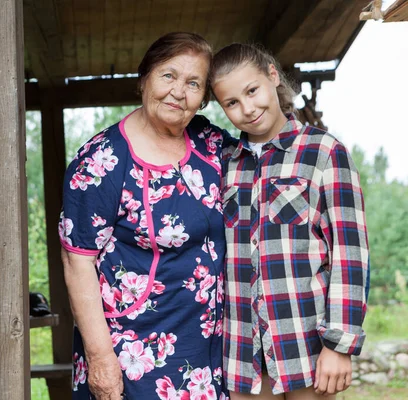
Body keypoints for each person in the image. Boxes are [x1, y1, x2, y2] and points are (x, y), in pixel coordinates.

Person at [59, 32, 232, 400]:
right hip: (134, 356)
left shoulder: (211, 144)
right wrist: (101, 360)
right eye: (168, 76)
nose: (178, 92)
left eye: (193, 83)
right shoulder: (101, 161)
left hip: (209, 350)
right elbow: (77, 263)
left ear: (203, 98)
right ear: (143, 80)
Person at [209, 43, 369, 399]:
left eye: (252, 91)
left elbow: (350, 255)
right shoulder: (223, 165)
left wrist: (339, 344)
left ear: (272, 75)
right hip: (242, 357)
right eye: (231, 103)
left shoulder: (324, 152)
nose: (248, 109)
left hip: (306, 349)